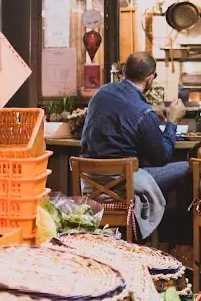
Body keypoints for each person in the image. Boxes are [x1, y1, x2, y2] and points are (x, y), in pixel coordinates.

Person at [81, 52, 189, 195]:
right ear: (150, 78)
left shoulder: (101, 93)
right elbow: (161, 158)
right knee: (189, 167)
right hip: (123, 186)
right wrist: (172, 122)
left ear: (124, 72)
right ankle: (163, 215)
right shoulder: (144, 113)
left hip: (91, 184)